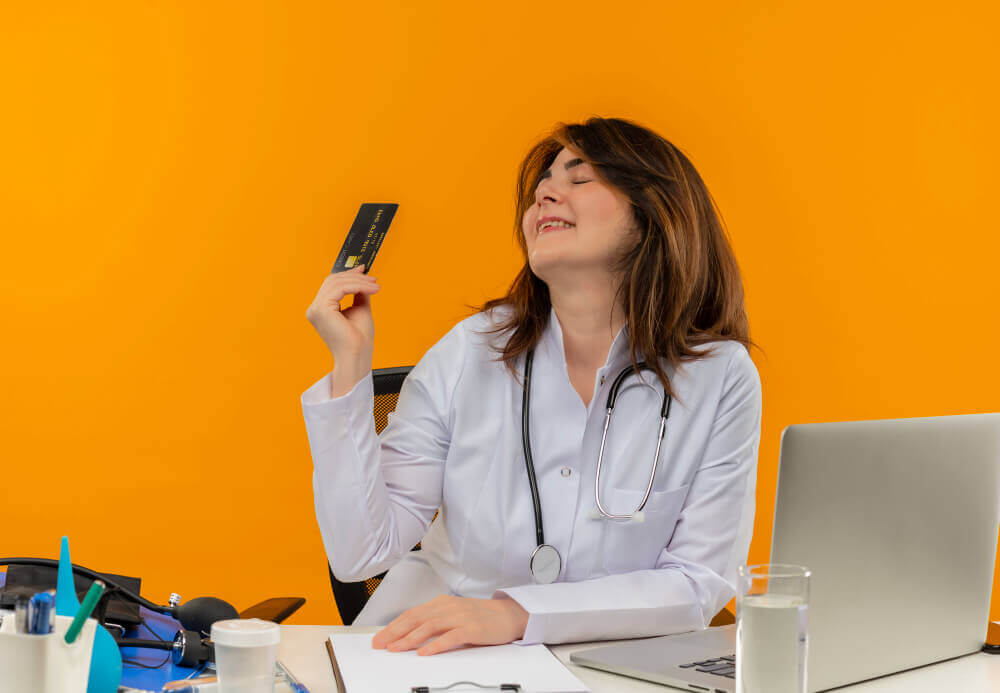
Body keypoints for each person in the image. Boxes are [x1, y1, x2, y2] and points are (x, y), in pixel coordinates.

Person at [302, 116, 762, 656]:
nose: (545, 192)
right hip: (439, 659)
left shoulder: (721, 376)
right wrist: (350, 365)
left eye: (579, 178)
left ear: (655, 211)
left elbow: (697, 583)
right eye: (542, 184)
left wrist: (517, 614)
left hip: (610, 665)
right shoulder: (471, 349)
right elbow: (362, 553)